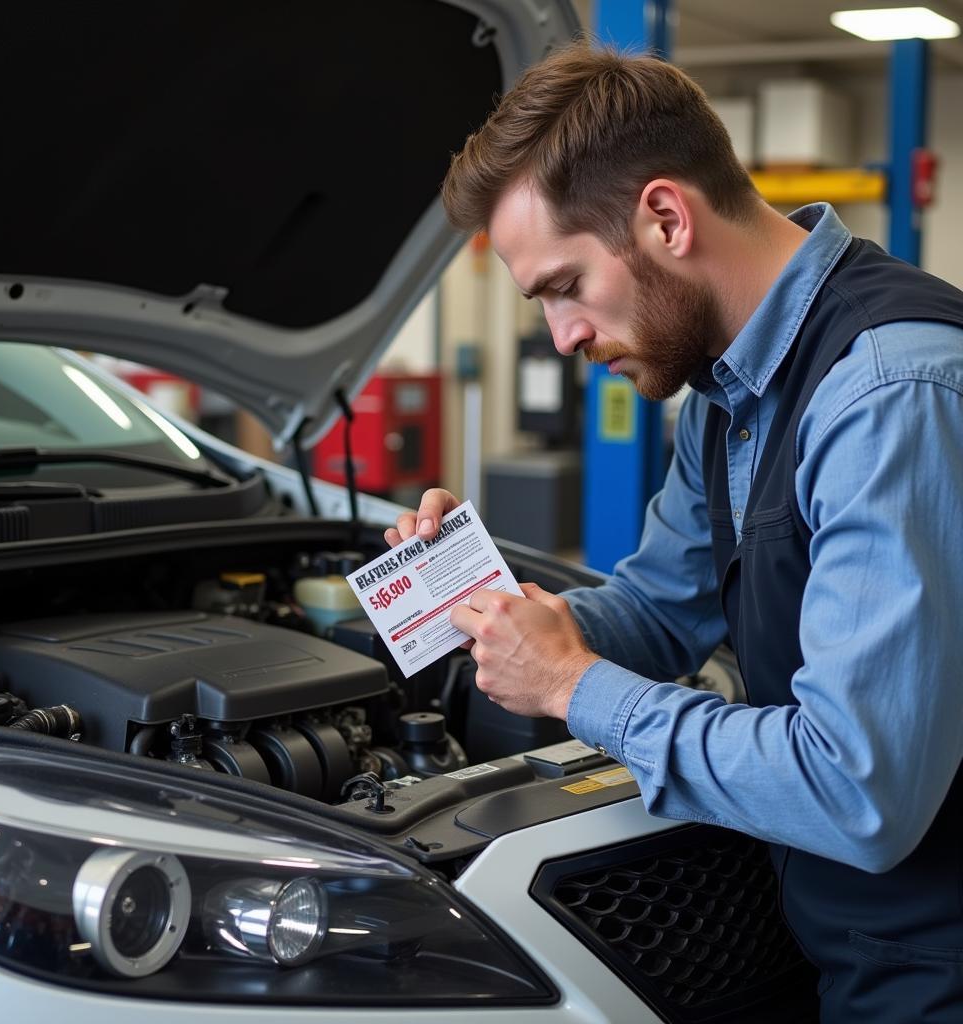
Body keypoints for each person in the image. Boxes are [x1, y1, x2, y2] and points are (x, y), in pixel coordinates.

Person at [385, 43, 963, 1023]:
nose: (561, 337)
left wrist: (572, 685)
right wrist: (507, 614)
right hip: (822, 923)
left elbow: (858, 792)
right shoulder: (723, 391)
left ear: (664, 216)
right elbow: (657, 608)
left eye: (564, 285)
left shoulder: (887, 396)